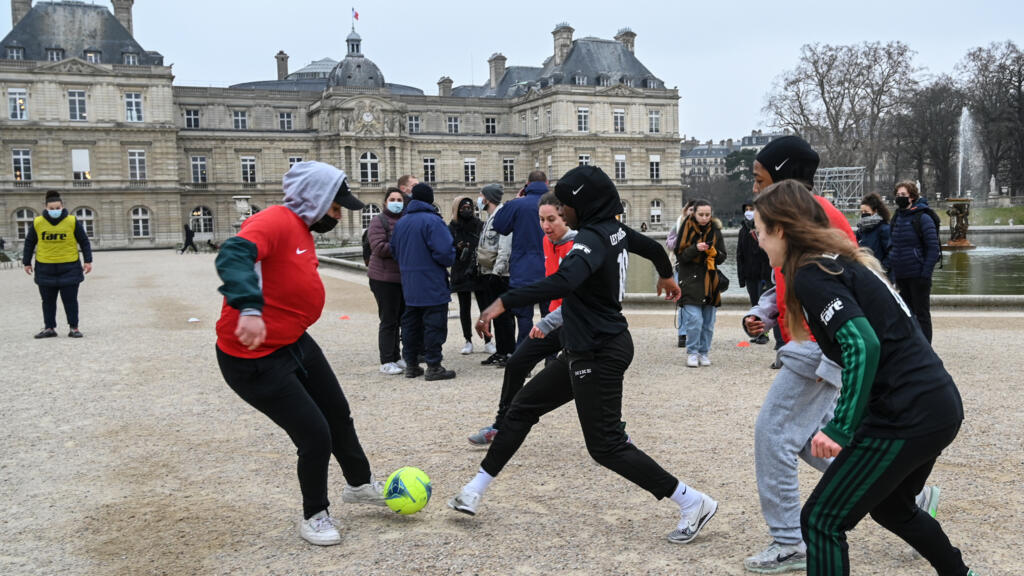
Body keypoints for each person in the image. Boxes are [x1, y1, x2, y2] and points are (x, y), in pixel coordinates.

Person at [448, 166, 719, 546]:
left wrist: (503, 302)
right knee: (523, 408)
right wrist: (666, 275)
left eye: (566, 203)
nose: (561, 208)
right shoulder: (615, 229)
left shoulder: (590, 239)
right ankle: (474, 490)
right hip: (583, 346)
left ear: (583, 204)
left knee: (606, 446)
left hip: (599, 351)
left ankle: (694, 502)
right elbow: (656, 248)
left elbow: (563, 282)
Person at [753, 180, 976, 576]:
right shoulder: (838, 260)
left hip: (907, 414)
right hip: (937, 404)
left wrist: (839, 427)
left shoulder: (812, 274)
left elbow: (862, 345)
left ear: (781, 230)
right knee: (893, 509)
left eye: (760, 229)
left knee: (821, 521)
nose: (756, 238)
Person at [213, 161, 386, 546]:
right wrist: (249, 308)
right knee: (314, 434)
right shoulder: (274, 220)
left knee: (338, 413)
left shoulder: (302, 229)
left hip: (294, 342)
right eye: (337, 206)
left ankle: (359, 484)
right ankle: (315, 514)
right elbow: (233, 255)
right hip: (253, 357)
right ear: (315, 198)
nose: (340, 215)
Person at [467, 191, 576, 446]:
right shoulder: (549, 242)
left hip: (577, 322)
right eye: (541, 220)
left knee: (583, 379)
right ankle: (500, 425)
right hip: (556, 319)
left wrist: (547, 321)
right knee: (517, 362)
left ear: (567, 218)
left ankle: (615, 431)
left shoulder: (578, 246)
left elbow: (578, 300)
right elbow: (550, 285)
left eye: (552, 219)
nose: (545, 227)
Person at [390, 182, 457, 381]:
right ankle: (434, 365)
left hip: (409, 282)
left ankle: (411, 364)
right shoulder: (433, 221)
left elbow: (394, 250)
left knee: (411, 324)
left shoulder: (402, 222)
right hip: (432, 281)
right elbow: (445, 253)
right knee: (434, 324)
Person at [23, 190, 93, 339]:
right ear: (46, 208)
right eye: (51, 208)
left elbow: (84, 241)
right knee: (47, 301)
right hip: (45, 267)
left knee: (70, 301)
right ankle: (49, 327)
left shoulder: (72, 221)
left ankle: (74, 327)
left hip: (69, 267)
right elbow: (29, 243)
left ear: (62, 207)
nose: (55, 211)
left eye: (57, 208)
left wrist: (88, 261)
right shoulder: (38, 222)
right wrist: (26, 262)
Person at [492, 170, 548, 347]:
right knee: (550, 317)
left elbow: (499, 225)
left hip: (523, 269)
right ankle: (551, 359)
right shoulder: (556, 204)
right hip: (550, 269)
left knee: (524, 318)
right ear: (547, 183)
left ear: (527, 184)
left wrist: (515, 200)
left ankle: (524, 362)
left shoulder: (518, 204)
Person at [674, 199, 727, 367]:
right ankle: (692, 352)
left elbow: (722, 256)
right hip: (690, 279)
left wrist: (714, 252)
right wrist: (695, 248)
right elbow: (680, 256)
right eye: (701, 214)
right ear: (694, 214)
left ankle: (704, 352)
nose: (704, 218)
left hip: (710, 280)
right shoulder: (685, 228)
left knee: (709, 322)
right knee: (695, 320)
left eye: (707, 215)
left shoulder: (716, 231)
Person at [889, 181, 940, 343]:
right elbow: (893, 245)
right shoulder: (897, 216)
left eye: (903, 195)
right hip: (901, 274)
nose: (899, 198)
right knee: (906, 314)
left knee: (922, 314)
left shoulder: (923, 217)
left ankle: (926, 349)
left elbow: (933, 249)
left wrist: (925, 274)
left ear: (912, 197)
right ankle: (912, 347)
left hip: (918, 275)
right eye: (897, 195)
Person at [367, 187, 408, 375]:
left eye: (399, 199)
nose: (396, 202)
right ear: (385, 202)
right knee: (388, 319)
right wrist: (405, 248)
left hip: (401, 277)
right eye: (392, 199)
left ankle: (396, 356)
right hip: (383, 278)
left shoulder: (405, 219)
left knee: (399, 318)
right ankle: (386, 360)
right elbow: (379, 248)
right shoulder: (378, 221)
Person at [476, 184, 515, 367]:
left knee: (504, 315)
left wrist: (497, 272)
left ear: (488, 198)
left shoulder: (501, 217)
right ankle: (500, 350)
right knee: (495, 315)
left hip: (499, 274)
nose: (479, 199)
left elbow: (504, 247)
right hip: (488, 271)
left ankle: (508, 351)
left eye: (481, 196)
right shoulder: (489, 217)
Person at [449, 196, 491, 355]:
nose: (467, 209)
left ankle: (488, 340)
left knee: (485, 308)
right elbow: (448, 249)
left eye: (469, 207)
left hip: (478, 269)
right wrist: (457, 248)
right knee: (464, 307)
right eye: (463, 207)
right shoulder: (452, 227)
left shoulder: (480, 225)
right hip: (461, 269)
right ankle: (468, 340)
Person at [736, 202, 772, 345]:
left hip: (763, 274)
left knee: (763, 304)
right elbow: (740, 255)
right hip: (750, 274)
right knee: (754, 304)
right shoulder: (743, 230)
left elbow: (767, 252)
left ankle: (764, 333)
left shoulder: (762, 229)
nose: (748, 212)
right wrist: (741, 277)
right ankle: (759, 332)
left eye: (751, 209)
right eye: (746, 210)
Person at [667, 200, 696, 348]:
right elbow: (669, 243)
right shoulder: (678, 225)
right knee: (683, 302)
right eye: (690, 209)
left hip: (698, 269)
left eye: (694, 210)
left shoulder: (705, 227)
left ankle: (694, 333)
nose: (692, 212)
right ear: (686, 211)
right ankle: (682, 334)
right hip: (681, 267)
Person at [856, 192, 893, 281]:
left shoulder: (884, 229)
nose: (863, 214)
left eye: (866, 212)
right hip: (864, 273)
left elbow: (891, 253)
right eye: (862, 212)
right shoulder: (861, 230)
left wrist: (882, 269)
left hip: (881, 275)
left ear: (875, 211)